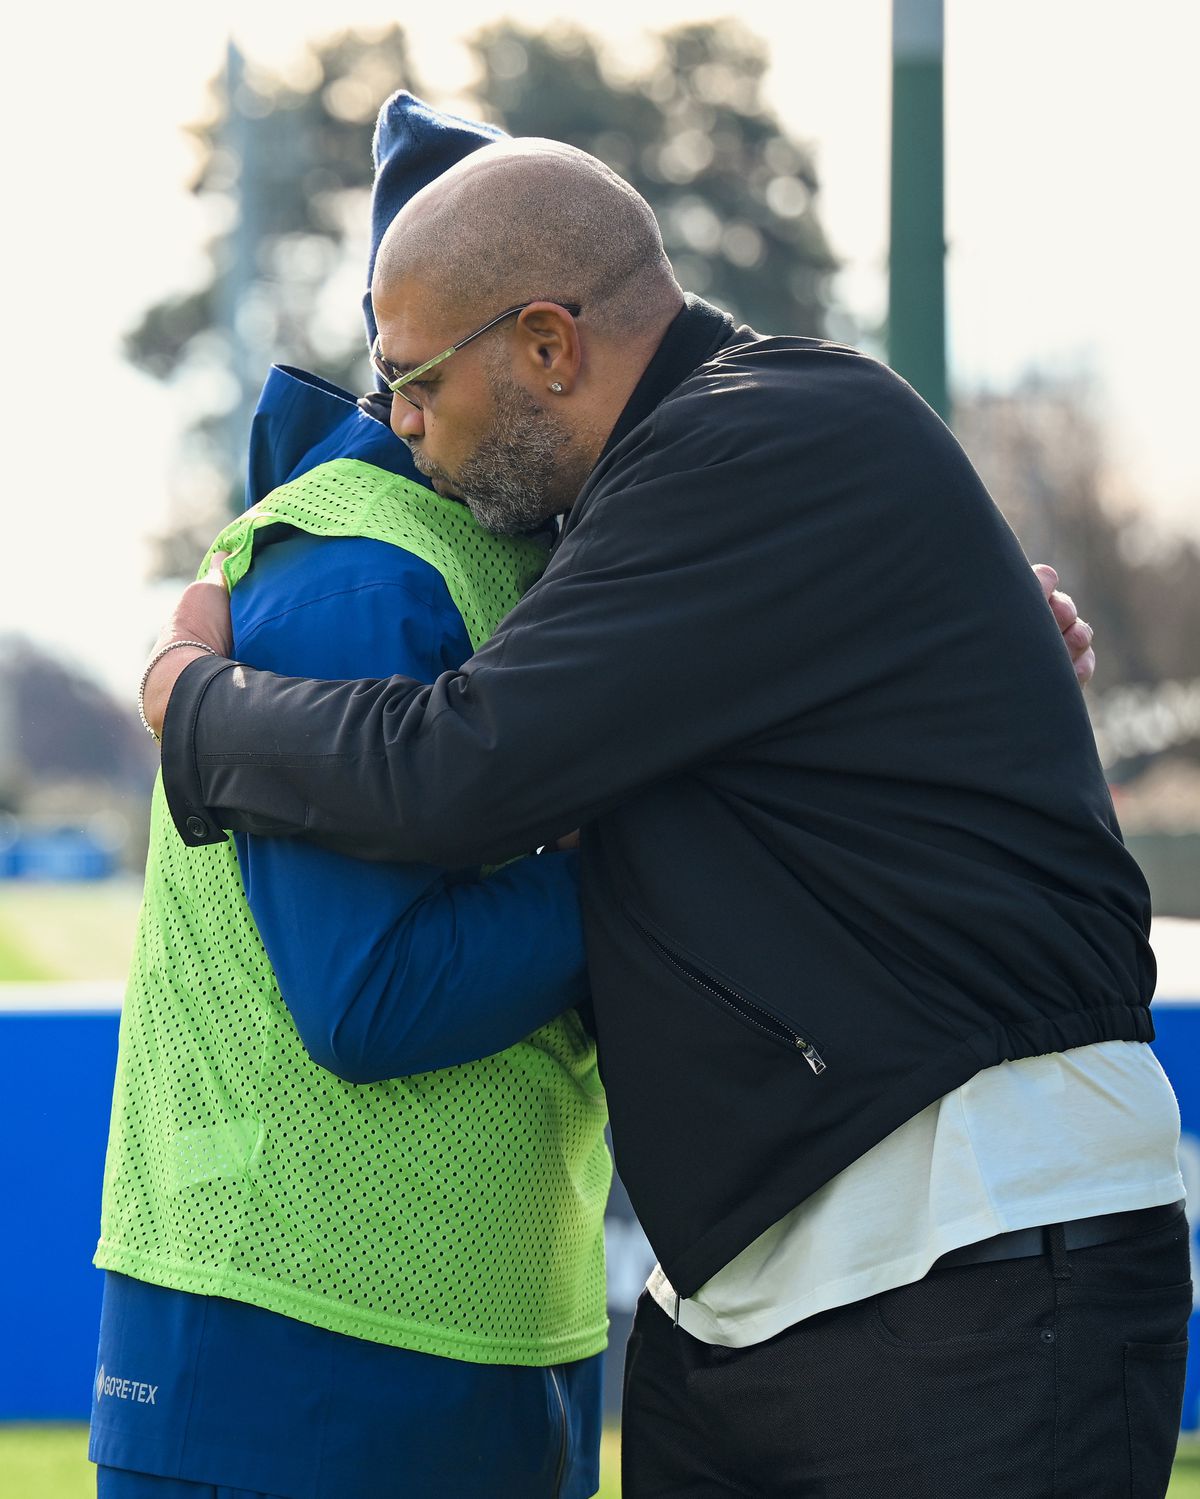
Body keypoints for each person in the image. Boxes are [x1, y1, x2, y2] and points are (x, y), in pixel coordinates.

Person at [142, 128, 1188, 1498]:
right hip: (752, 1303)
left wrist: (193, 702)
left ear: (547, 347)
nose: (392, 423)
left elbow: (456, 771)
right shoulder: (696, 478)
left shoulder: (758, 437)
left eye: (411, 382)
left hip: (968, 1254)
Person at [90, 96, 612, 1499]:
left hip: (469, 1333)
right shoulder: (357, 566)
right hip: (297, 1349)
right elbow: (370, 995)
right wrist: (639, 855)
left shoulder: (504, 552)